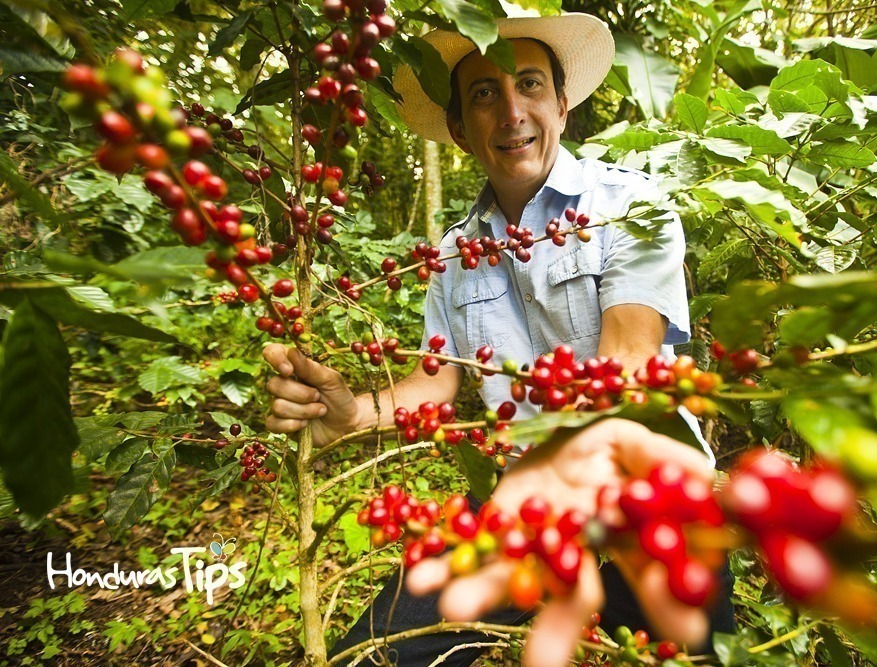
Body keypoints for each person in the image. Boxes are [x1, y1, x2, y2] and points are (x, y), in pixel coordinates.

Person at [263, 12, 734, 666]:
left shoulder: (631, 206)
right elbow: (435, 382)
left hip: (648, 501)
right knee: (373, 655)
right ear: (459, 129)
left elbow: (624, 368)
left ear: (563, 106)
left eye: (531, 85)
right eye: (485, 93)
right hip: (522, 505)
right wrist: (351, 414)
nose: (512, 110)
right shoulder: (454, 255)